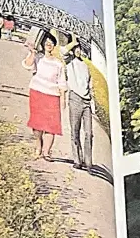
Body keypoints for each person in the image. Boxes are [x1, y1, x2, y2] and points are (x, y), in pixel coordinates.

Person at [23, 31, 67, 160]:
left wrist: (63, 99)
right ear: (42, 43)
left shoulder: (59, 63)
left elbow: (62, 82)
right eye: (46, 42)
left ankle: (46, 152)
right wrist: (32, 52)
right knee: (37, 124)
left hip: (52, 96)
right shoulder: (38, 57)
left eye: (51, 42)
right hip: (37, 92)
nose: (49, 44)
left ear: (54, 45)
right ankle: (39, 145)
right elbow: (27, 65)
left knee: (51, 125)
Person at [63, 40, 93, 172]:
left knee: (89, 132)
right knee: (75, 130)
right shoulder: (70, 61)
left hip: (86, 101)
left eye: (79, 48)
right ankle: (77, 160)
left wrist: (92, 99)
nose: (78, 51)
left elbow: (89, 84)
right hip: (75, 98)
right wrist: (72, 42)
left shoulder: (86, 66)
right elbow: (63, 52)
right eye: (76, 49)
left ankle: (88, 161)